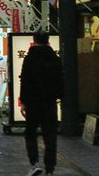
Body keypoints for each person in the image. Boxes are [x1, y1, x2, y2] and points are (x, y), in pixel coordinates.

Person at [20, 33, 63, 176]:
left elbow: (25, 81)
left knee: (31, 133)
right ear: (48, 41)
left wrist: (24, 102)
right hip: (50, 103)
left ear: (34, 41)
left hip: (33, 103)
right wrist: (60, 97)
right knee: (50, 136)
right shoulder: (55, 59)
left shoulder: (29, 59)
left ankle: (35, 163)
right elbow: (60, 80)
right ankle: (50, 168)